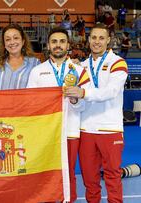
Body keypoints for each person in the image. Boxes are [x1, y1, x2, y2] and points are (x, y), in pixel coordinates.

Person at [64, 23, 128, 203]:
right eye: (93, 37)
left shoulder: (117, 62)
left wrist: (83, 93)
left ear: (109, 40)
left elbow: (111, 91)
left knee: (113, 177)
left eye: (101, 38)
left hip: (110, 128)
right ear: (88, 39)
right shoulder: (80, 67)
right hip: (85, 129)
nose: (97, 42)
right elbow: (75, 98)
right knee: (90, 179)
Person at [27, 27, 86, 203]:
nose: (58, 45)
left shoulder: (79, 70)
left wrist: (75, 100)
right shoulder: (37, 71)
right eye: (54, 42)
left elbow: (84, 104)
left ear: (68, 45)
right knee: (47, 172)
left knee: (68, 172)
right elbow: (31, 102)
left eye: (61, 41)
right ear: (48, 45)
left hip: (70, 129)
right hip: (46, 133)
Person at [0, 24, 40, 90]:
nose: (12, 42)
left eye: (16, 38)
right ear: (4, 44)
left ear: (23, 41)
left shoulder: (35, 64)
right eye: (8, 39)